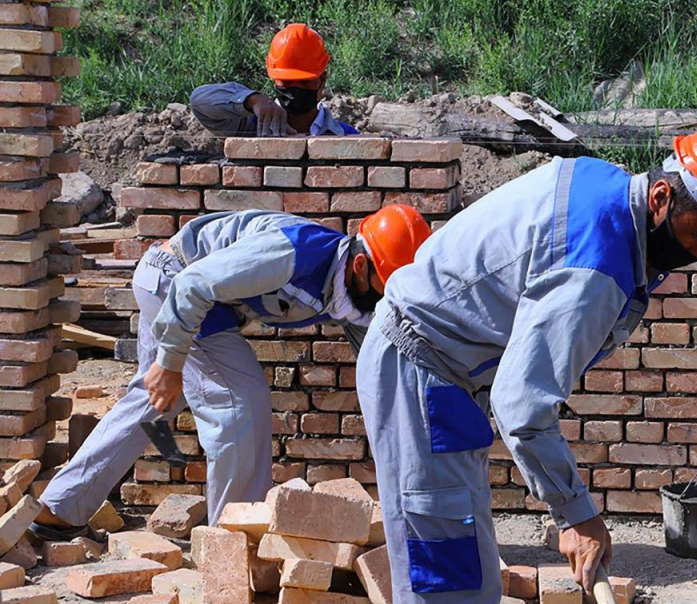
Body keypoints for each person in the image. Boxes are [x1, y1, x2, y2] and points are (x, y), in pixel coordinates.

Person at [355, 126, 697, 604]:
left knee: (471, 572)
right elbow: (522, 405)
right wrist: (575, 513)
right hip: (420, 371)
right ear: (663, 196)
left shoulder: (600, 183)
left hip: (442, 371)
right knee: (447, 581)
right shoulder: (595, 266)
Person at [32, 205, 431, 536]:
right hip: (174, 283)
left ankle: (60, 507)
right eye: (385, 285)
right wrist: (170, 363)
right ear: (360, 265)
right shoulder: (294, 253)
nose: (386, 298)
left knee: (153, 404)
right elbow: (193, 284)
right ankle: (235, 539)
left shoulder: (355, 294)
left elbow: (378, 371)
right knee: (240, 400)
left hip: (179, 293)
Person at [190, 23, 358, 138]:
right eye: (286, 82)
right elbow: (199, 101)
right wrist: (252, 100)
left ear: (322, 80)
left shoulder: (346, 137)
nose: (295, 89)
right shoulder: (251, 126)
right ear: (274, 79)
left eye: (305, 81)